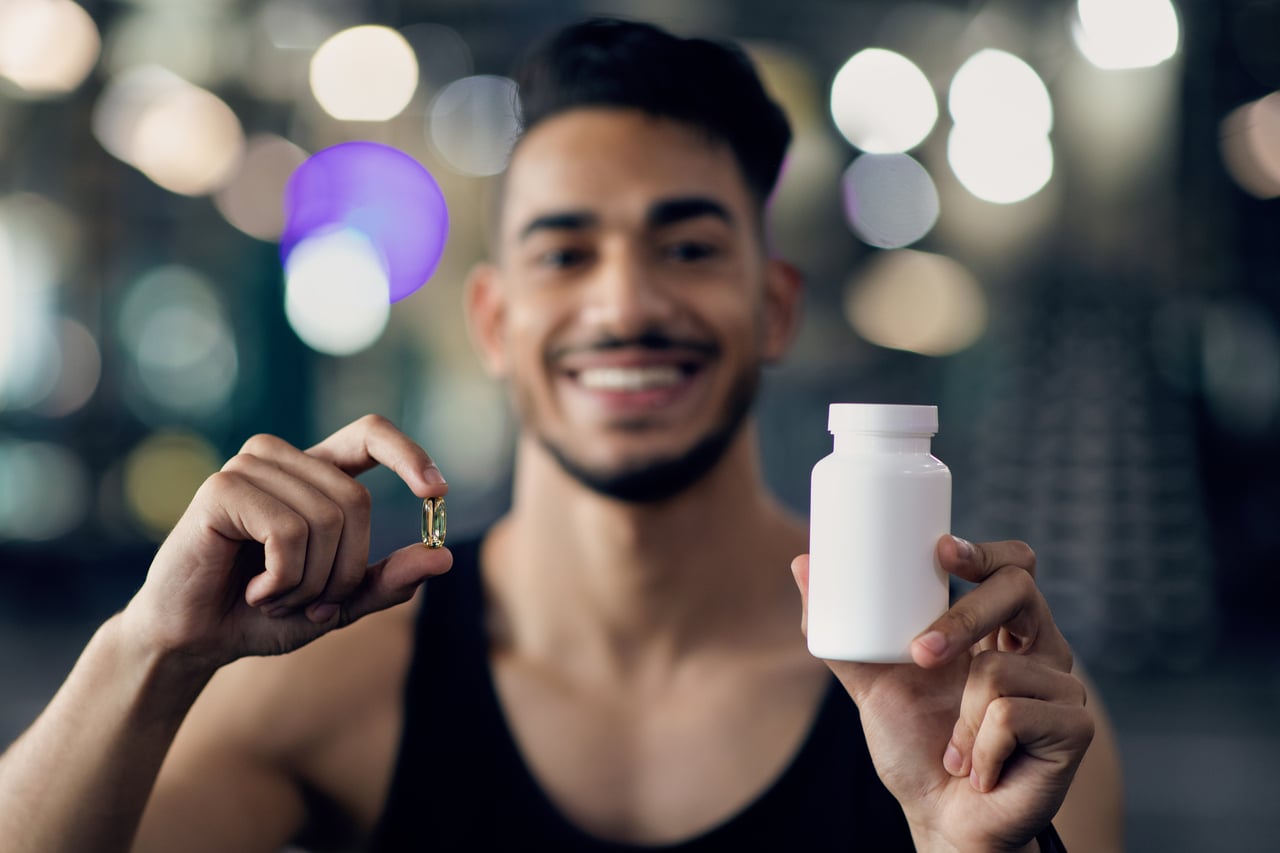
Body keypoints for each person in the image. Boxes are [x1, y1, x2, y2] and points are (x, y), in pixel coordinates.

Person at [0, 18, 1123, 853]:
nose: (625, 303)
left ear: (773, 306)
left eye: (686, 247)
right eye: (564, 251)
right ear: (493, 320)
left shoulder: (977, 713)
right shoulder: (344, 680)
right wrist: (143, 652)